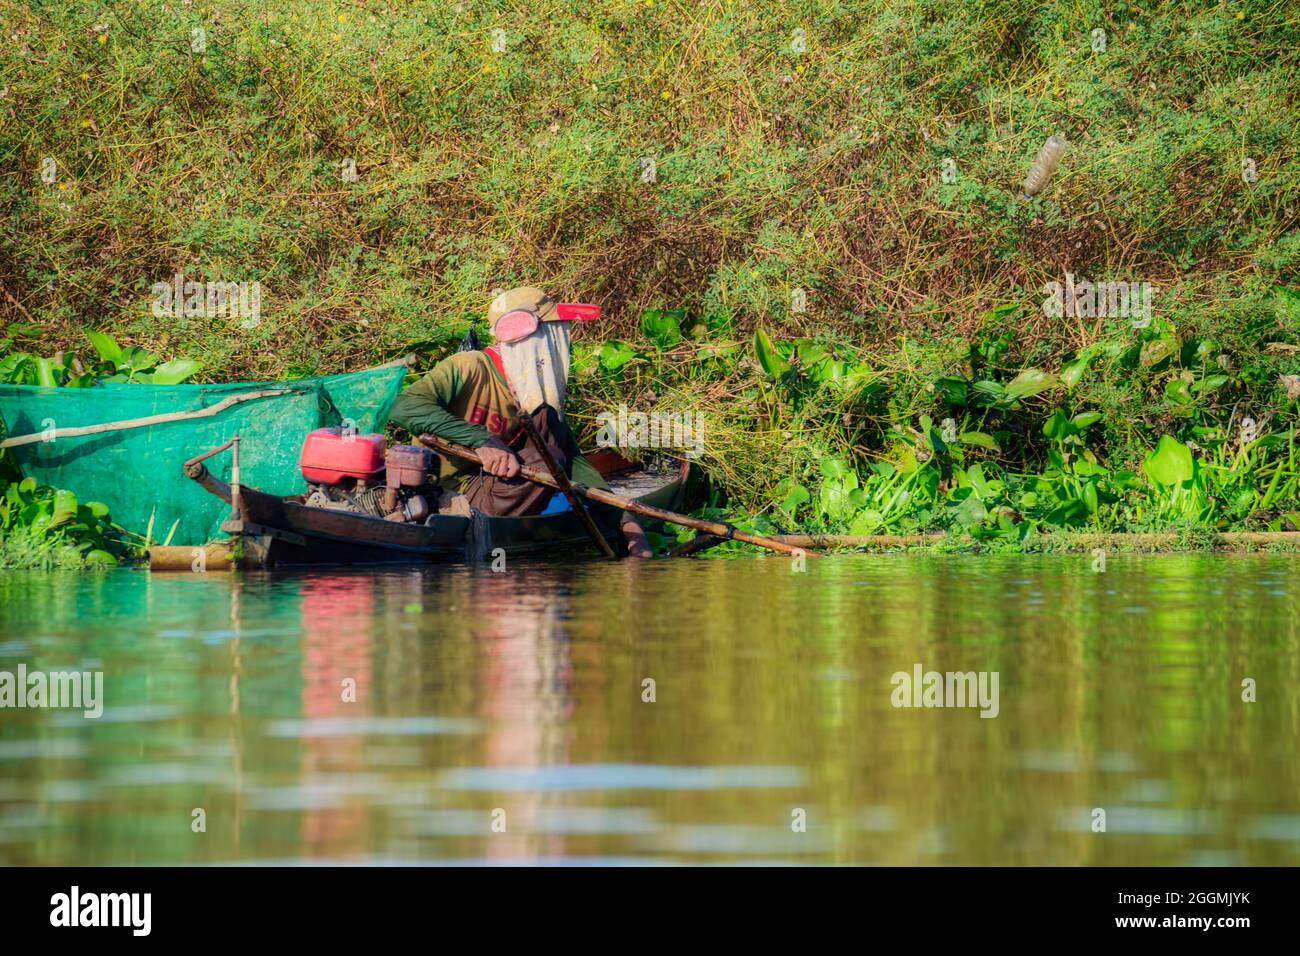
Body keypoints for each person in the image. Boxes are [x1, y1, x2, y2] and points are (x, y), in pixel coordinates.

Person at [388, 287, 653, 557]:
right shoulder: (470, 366)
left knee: (554, 455)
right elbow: (403, 407)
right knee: (545, 460)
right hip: (450, 493)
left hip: (499, 490)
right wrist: (481, 441)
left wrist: (629, 525)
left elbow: (576, 465)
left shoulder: (538, 398)